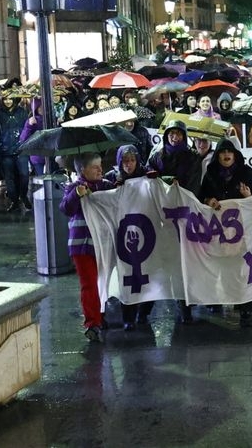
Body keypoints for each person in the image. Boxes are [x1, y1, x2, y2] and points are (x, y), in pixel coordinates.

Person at [145, 119, 204, 323]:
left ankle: (185, 305)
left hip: (184, 216)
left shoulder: (193, 158)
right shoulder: (157, 157)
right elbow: (147, 181)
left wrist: (179, 189)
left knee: (184, 263)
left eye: (178, 133)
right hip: (161, 217)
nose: (174, 137)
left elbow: (193, 186)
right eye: (171, 133)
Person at [199, 138, 252, 321]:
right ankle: (226, 296)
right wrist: (209, 200)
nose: (226, 155)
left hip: (242, 229)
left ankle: (246, 305)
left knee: (242, 266)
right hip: (219, 231)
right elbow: (201, 195)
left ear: (235, 155)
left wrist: (248, 196)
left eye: (229, 152)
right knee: (224, 264)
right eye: (222, 152)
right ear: (217, 155)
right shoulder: (210, 173)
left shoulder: (246, 172)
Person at [59, 152, 115, 342]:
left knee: (104, 282)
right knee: (89, 284)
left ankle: (100, 315)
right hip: (82, 246)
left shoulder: (106, 186)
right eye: (95, 167)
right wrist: (76, 195)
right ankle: (93, 323)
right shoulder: (74, 188)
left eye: (100, 166)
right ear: (83, 170)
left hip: (103, 244)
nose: (100, 170)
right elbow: (65, 208)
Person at [104, 145, 154, 330]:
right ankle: (128, 317)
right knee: (127, 275)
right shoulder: (112, 177)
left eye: (132, 160)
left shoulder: (147, 176)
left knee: (149, 274)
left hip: (146, 231)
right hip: (122, 234)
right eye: (125, 161)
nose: (129, 165)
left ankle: (145, 311)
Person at [0, 93, 31, 211]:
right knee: (9, 178)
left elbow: (27, 129)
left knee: (24, 175)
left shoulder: (22, 112)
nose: (8, 101)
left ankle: (23, 196)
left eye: (10, 99)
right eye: (5, 99)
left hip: (21, 149)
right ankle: (14, 200)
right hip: (6, 151)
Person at [18, 97, 46, 176]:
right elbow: (23, 139)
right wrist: (29, 125)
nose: (42, 109)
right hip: (38, 156)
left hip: (52, 154)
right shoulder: (31, 121)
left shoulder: (52, 118)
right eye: (40, 107)